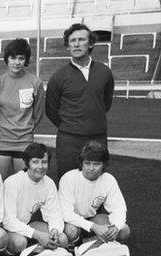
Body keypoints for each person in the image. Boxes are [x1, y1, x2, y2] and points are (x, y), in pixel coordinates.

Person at [46, 23, 115, 179]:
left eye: (81, 39)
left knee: (97, 182)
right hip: (69, 141)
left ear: (90, 43)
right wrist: (72, 127)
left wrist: (92, 123)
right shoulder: (58, 77)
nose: (76, 44)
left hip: (98, 138)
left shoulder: (105, 72)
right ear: (67, 46)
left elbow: (105, 102)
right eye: (72, 40)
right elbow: (51, 111)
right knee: (67, 181)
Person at [0, 38, 45, 180]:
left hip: (25, 142)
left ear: (26, 60)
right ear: (7, 59)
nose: (17, 62)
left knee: (23, 185)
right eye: (13, 58)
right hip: (1, 141)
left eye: (21, 58)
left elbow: (38, 113)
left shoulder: (35, 82)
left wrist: (27, 128)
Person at [59, 141, 130, 245]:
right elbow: (66, 213)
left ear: (103, 165)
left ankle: (89, 243)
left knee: (124, 230)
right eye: (87, 163)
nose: (91, 168)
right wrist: (93, 227)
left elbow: (119, 209)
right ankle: (75, 248)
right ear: (81, 163)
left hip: (91, 218)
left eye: (96, 164)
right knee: (71, 231)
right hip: (70, 221)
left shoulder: (108, 179)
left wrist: (116, 226)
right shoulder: (69, 178)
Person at [3, 143, 68, 255]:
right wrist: (37, 235)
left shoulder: (49, 183)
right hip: (8, 228)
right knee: (19, 242)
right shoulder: (12, 182)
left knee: (61, 239)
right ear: (27, 163)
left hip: (27, 225)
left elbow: (54, 213)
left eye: (44, 162)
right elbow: (8, 221)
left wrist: (54, 230)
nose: (40, 167)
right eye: (35, 162)